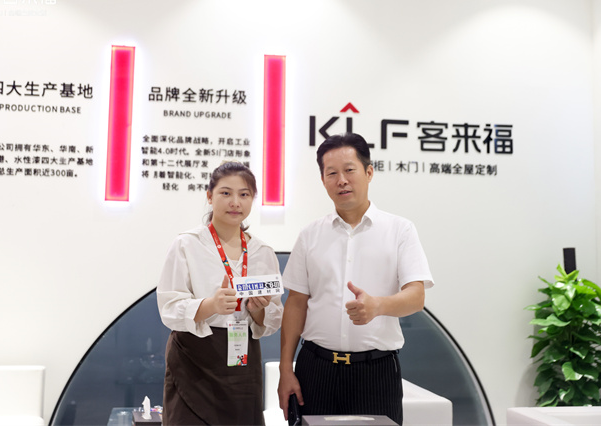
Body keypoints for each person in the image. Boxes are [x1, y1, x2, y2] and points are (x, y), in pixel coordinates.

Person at [277, 133, 434, 426]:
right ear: (323, 180)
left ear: (369, 172)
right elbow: (296, 303)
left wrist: (378, 306)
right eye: (331, 173)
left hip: (376, 372)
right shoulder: (310, 235)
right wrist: (286, 369)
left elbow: (416, 296)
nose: (341, 181)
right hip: (316, 369)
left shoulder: (400, 230)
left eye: (349, 170)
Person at [157, 161, 283, 426]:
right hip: (194, 358)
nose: (235, 202)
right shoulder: (187, 244)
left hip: (242, 360)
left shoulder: (263, 253)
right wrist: (210, 305)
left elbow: (271, 320)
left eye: (244, 194)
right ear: (209, 196)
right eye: (226, 193)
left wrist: (258, 309)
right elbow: (169, 308)